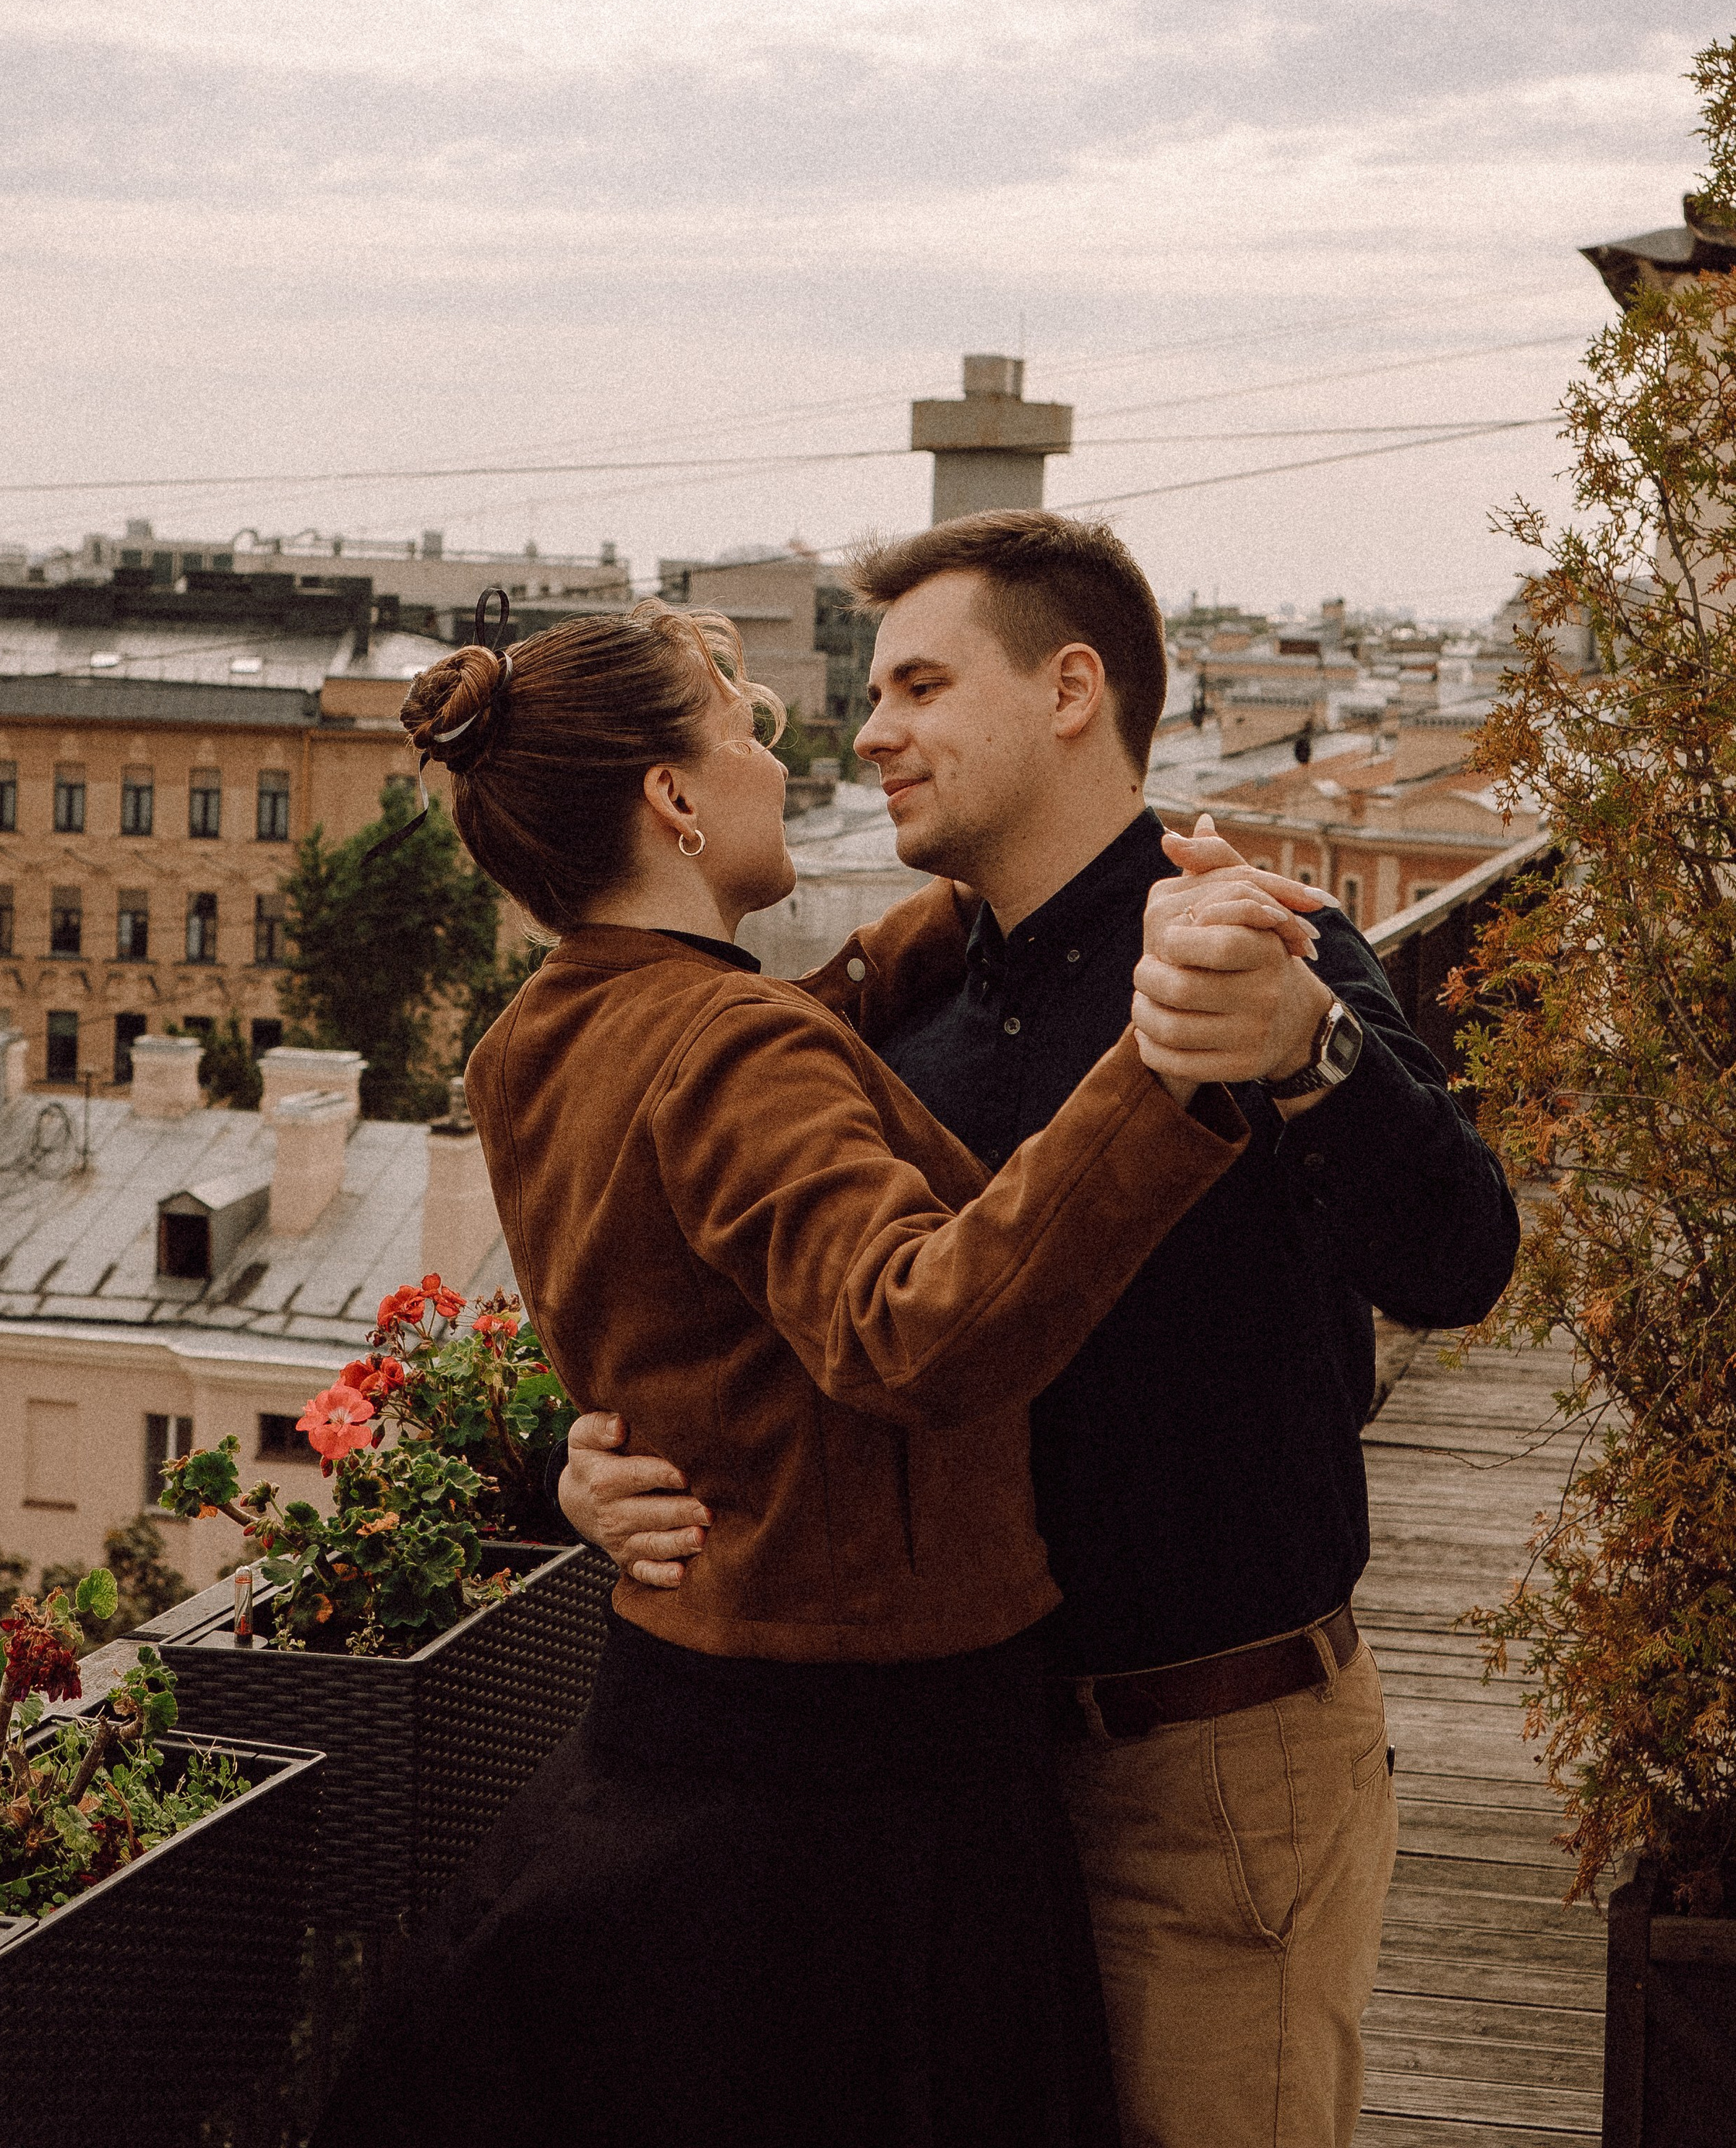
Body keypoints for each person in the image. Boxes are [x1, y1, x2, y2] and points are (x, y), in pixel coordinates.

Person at [559, 514, 1521, 2148]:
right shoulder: (914, 1009)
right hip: (947, 1796)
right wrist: (582, 1469)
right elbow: (783, 1321)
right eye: (874, 696)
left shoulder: (1247, 941)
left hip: (1205, 1776)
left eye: (920, 686)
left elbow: (1460, 1260)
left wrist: (1307, 1051)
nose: (869, 734)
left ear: (1069, 688)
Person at [320, 593, 1319, 2148]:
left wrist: (950, 920)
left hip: (675, 1729)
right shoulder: (730, 1048)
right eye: (747, 735)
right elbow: (910, 1324)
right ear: (672, 798)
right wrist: (1161, 1067)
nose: (783, 767)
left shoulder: (537, 1036)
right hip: (867, 1785)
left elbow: (732, 1082)